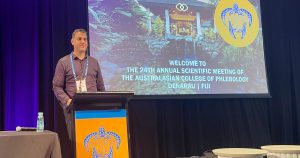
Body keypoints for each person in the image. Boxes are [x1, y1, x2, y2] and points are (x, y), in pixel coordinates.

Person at [52, 28, 105, 157]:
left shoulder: (94, 62)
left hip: (94, 110)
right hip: (73, 110)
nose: (83, 41)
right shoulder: (63, 62)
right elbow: (56, 86)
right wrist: (67, 101)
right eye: (79, 39)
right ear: (72, 41)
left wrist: (104, 105)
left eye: (85, 39)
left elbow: (101, 87)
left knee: (96, 144)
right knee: (79, 146)